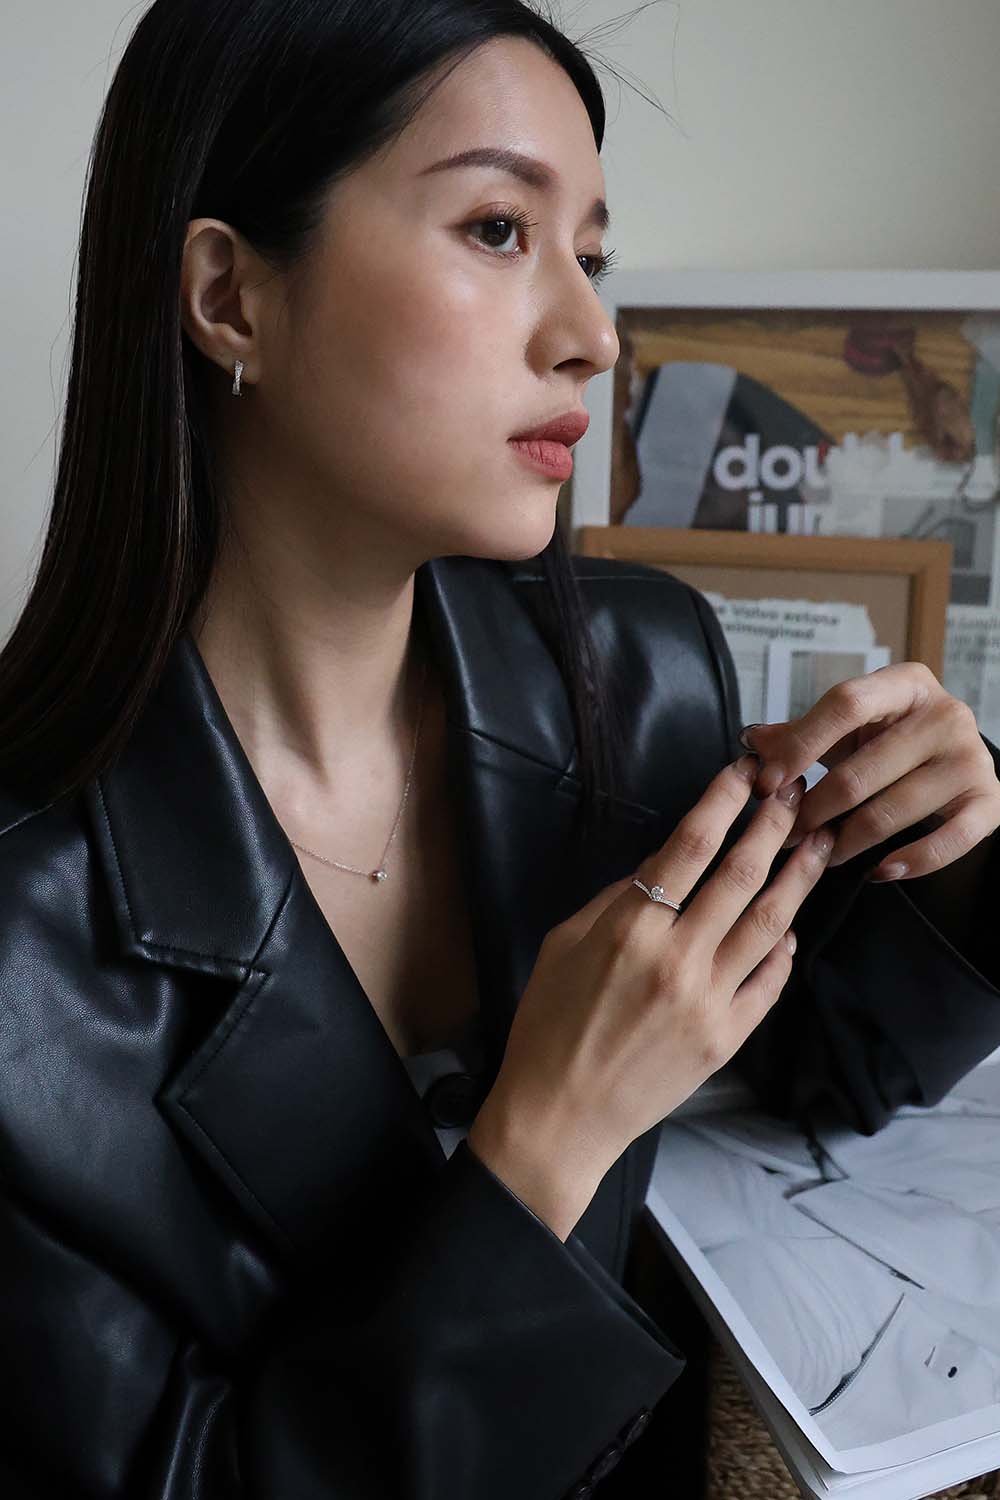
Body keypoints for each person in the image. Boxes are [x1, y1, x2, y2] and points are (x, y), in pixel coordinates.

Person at [2, 2, 1000, 1497]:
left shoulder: (633, 671)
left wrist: (952, 841)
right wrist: (545, 1141)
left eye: (590, 254)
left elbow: (826, 1063)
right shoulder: (24, 946)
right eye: (496, 229)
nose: (593, 335)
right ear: (229, 296)